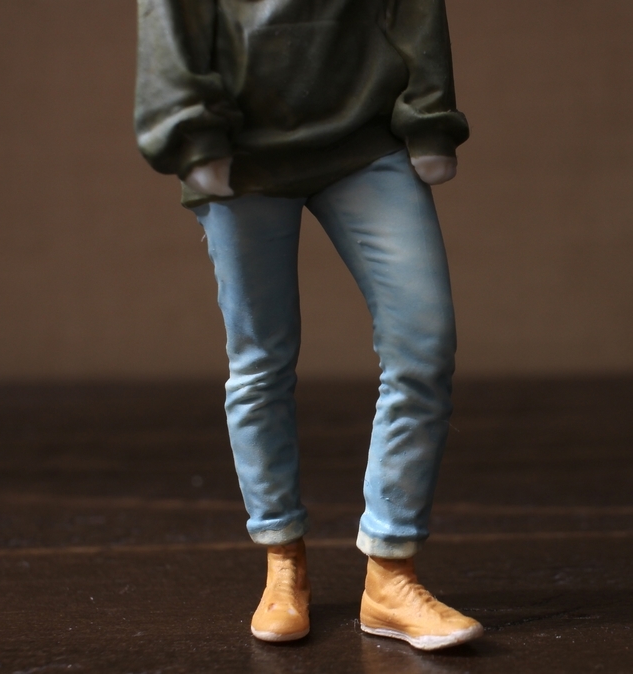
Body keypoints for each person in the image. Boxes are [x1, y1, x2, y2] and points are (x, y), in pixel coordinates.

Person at [134, 0, 481, 651]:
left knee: (424, 344)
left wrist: (430, 116)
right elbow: (170, 17)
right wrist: (190, 130)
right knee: (259, 364)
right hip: (242, 149)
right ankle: (282, 560)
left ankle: (391, 573)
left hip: (365, 137)